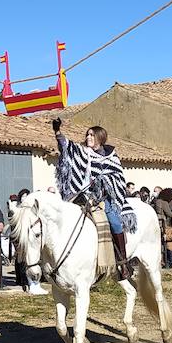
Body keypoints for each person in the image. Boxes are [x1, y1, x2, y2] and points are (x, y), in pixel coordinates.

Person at [53, 119, 131, 278]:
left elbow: (118, 178)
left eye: (91, 135)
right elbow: (67, 146)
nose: (88, 137)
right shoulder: (83, 152)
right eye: (87, 135)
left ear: (100, 138)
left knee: (115, 223)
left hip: (105, 197)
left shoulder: (112, 157)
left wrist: (104, 182)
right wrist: (57, 132)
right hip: (83, 196)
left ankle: (123, 262)